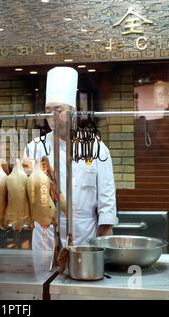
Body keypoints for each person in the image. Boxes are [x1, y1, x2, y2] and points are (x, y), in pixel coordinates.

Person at [27, 67, 118, 251]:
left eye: (58, 109)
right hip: (45, 232)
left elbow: (107, 195)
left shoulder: (96, 147)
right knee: (45, 278)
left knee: (82, 276)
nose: (52, 116)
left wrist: (106, 231)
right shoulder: (34, 148)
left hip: (84, 232)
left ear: (73, 111)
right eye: (48, 110)